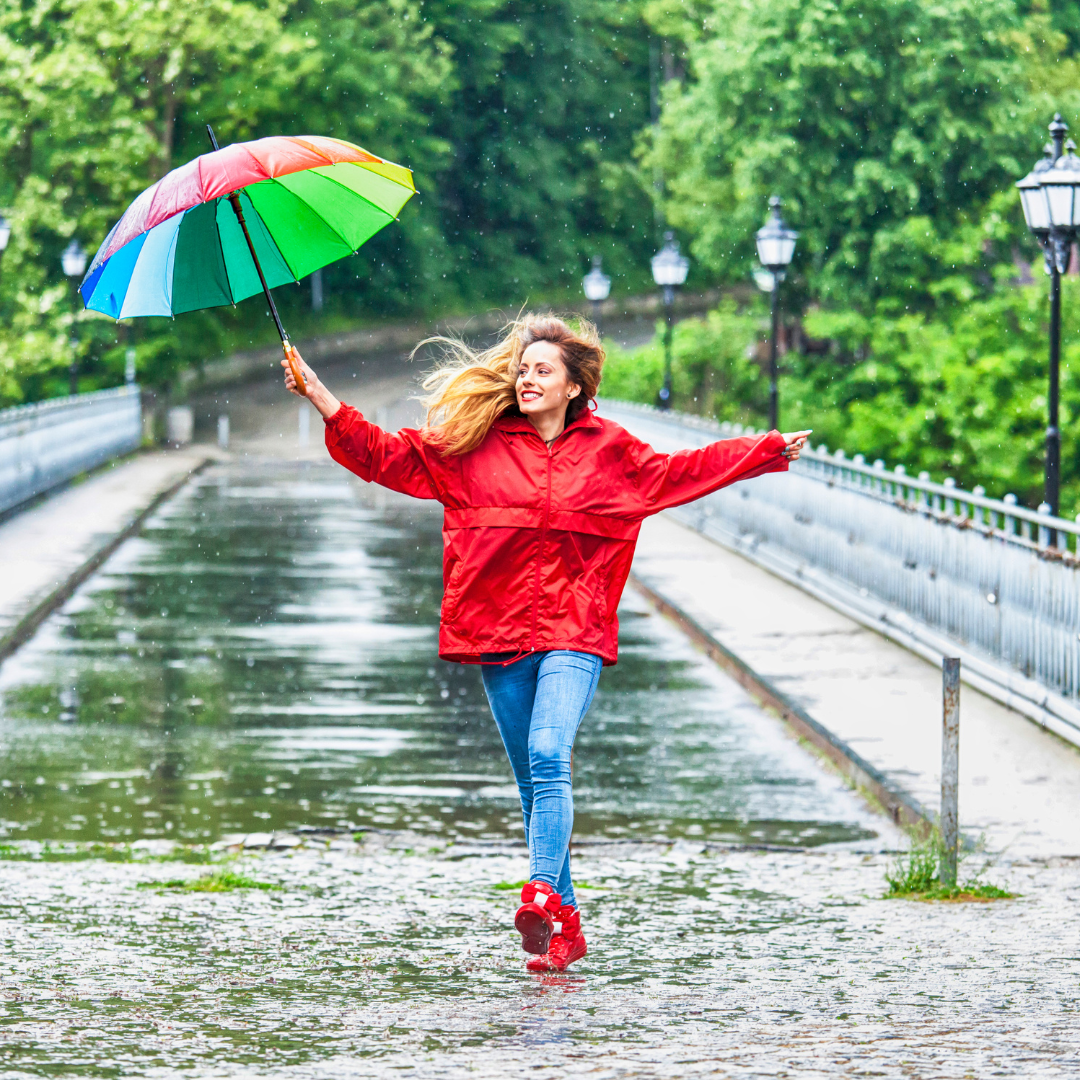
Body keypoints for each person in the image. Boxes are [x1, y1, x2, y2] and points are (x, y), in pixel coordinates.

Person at [283, 315, 809, 973]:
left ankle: (539, 891)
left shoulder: (612, 453)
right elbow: (386, 455)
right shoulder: (472, 447)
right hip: (497, 634)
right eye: (523, 370)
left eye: (542, 371)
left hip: (575, 630)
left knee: (548, 752)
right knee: (535, 787)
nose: (527, 379)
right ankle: (568, 926)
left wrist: (763, 450)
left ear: (573, 386)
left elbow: (682, 471)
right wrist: (319, 395)